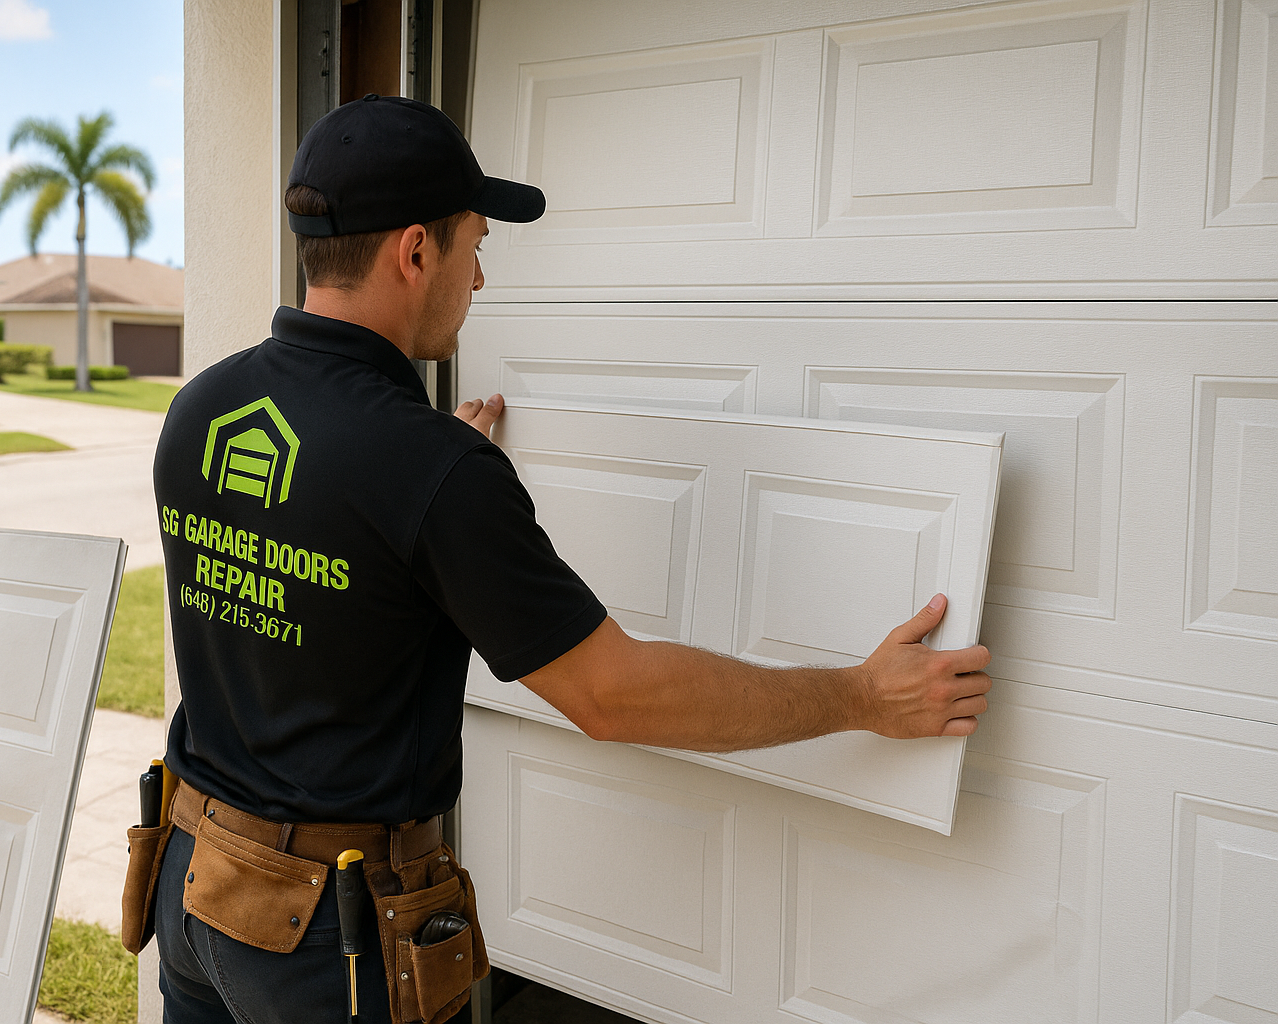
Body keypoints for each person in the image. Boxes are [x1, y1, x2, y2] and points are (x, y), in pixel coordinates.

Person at [145, 94, 991, 1024]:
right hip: (323, 948)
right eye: (473, 246)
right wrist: (864, 697)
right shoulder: (429, 474)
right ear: (415, 252)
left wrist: (430, 506)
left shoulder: (202, 412)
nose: (481, 280)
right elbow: (615, 695)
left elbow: (319, 560)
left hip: (196, 886)